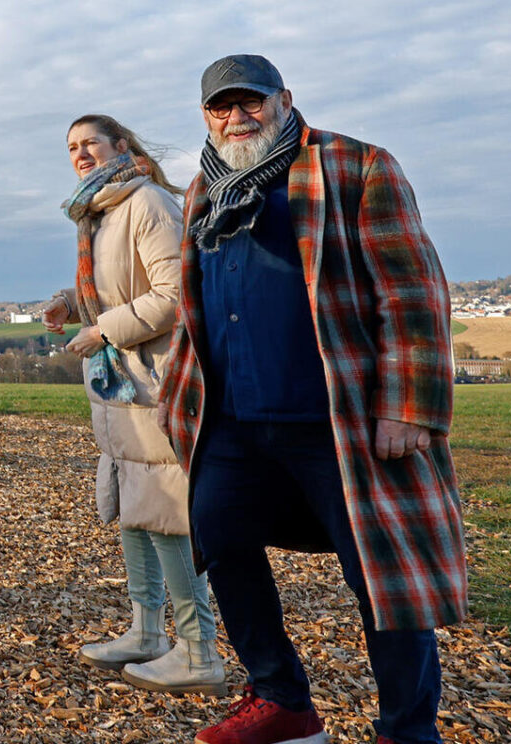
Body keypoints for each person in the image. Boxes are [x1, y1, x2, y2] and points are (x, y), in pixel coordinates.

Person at [157, 55, 466, 744]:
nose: (238, 117)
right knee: (218, 540)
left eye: (252, 102)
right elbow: (196, 304)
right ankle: (283, 703)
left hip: (339, 417)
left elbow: (413, 289)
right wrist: (175, 399)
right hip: (233, 421)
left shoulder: (356, 165)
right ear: (206, 116)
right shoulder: (201, 190)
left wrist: (409, 405)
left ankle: (407, 731)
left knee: (384, 581)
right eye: (221, 107)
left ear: (285, 99)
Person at [40, 114, 227, 695]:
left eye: (90, 142)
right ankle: (146, 631)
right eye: (72, 147)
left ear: (122, 146)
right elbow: (121, 286)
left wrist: (103, 331)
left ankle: (198, 652)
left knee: (167, 513)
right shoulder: (100, 211)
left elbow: (175, 294)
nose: (80, 153)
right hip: (122, 385)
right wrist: (71, 304)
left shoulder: (145, 203)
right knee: (134, 507)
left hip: (154, 380)